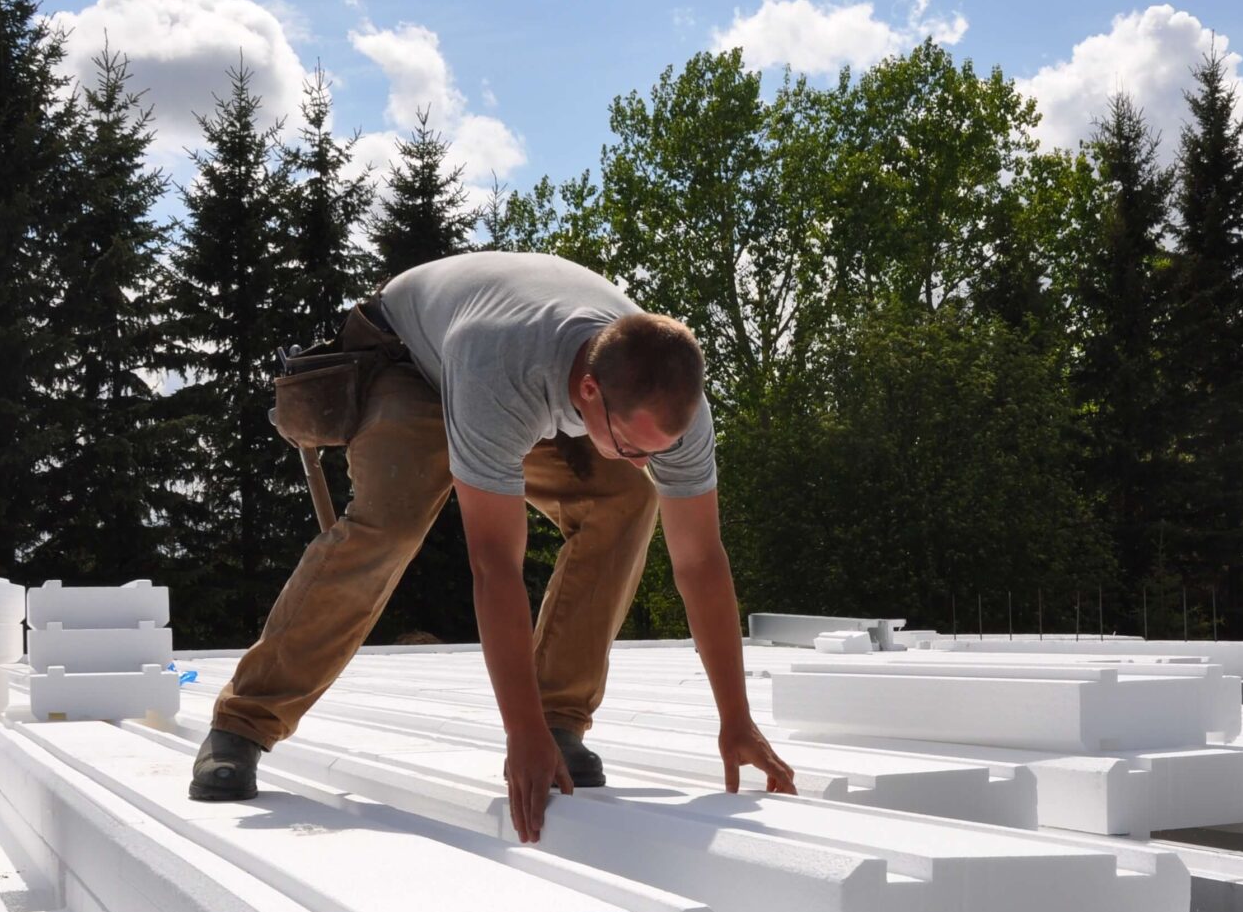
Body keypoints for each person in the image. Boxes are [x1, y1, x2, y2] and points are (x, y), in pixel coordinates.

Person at [188, 251, 795, 840]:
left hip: (534, 377)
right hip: (415, 361)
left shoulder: (667, 410)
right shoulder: (500, 366)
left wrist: (736, 719)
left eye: (660, 450)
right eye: (635, 447)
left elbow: (700, 562)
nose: (649, 462)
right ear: (587, 391)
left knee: (626, 497)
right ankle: (242, 724)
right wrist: (517, 729)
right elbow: (495, 565)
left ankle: (560, 722)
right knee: (389, 523)